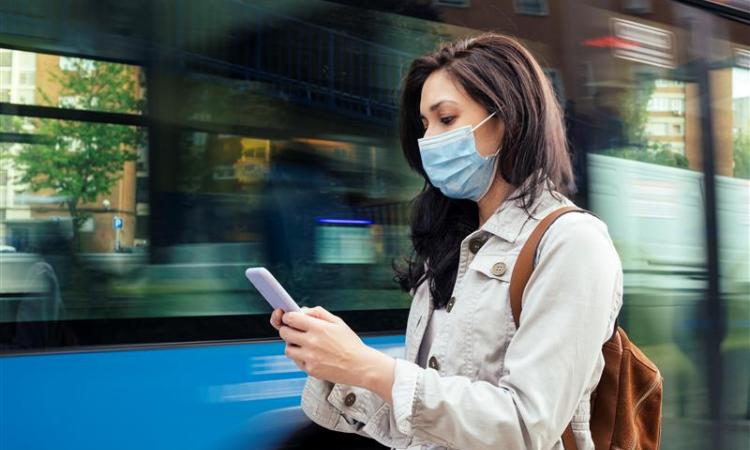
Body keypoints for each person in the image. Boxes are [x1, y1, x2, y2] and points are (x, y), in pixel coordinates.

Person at [270, 32, 623, 450]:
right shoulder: (450, 248)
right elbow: (424, 424)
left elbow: (526, 426)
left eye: (447, 119)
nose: (429, 140)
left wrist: (369, 367)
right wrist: (339, 364)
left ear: (506, 119)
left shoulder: (572, 244)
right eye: (424, 125)